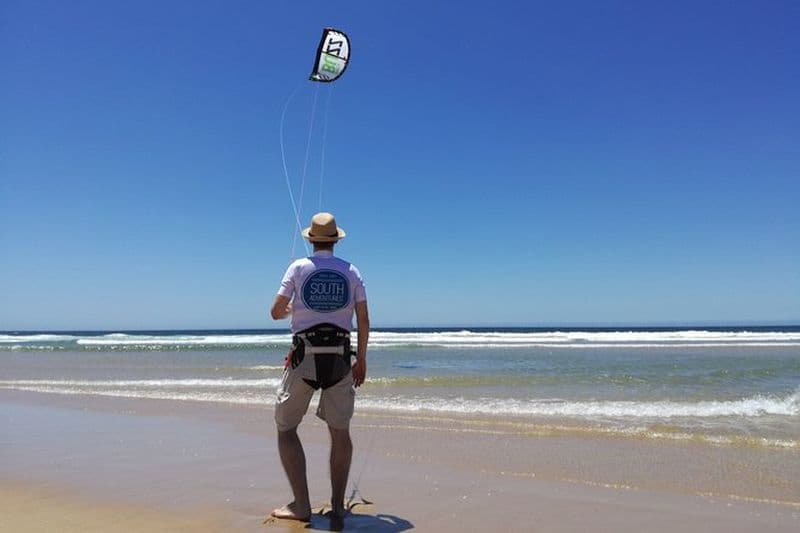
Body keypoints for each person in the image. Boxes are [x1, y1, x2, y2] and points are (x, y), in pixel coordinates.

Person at [269, 212, 369, 523]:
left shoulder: (298, 267)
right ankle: (338, 507)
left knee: (286, 428)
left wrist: (290, 310)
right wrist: (362, 359)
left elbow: (275, 312)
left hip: (304, 357)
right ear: (335, 241)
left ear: (311, 239)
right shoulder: (351, 271)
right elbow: (363, 320)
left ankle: (302, 505)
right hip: (340, 358)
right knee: (340, 433)